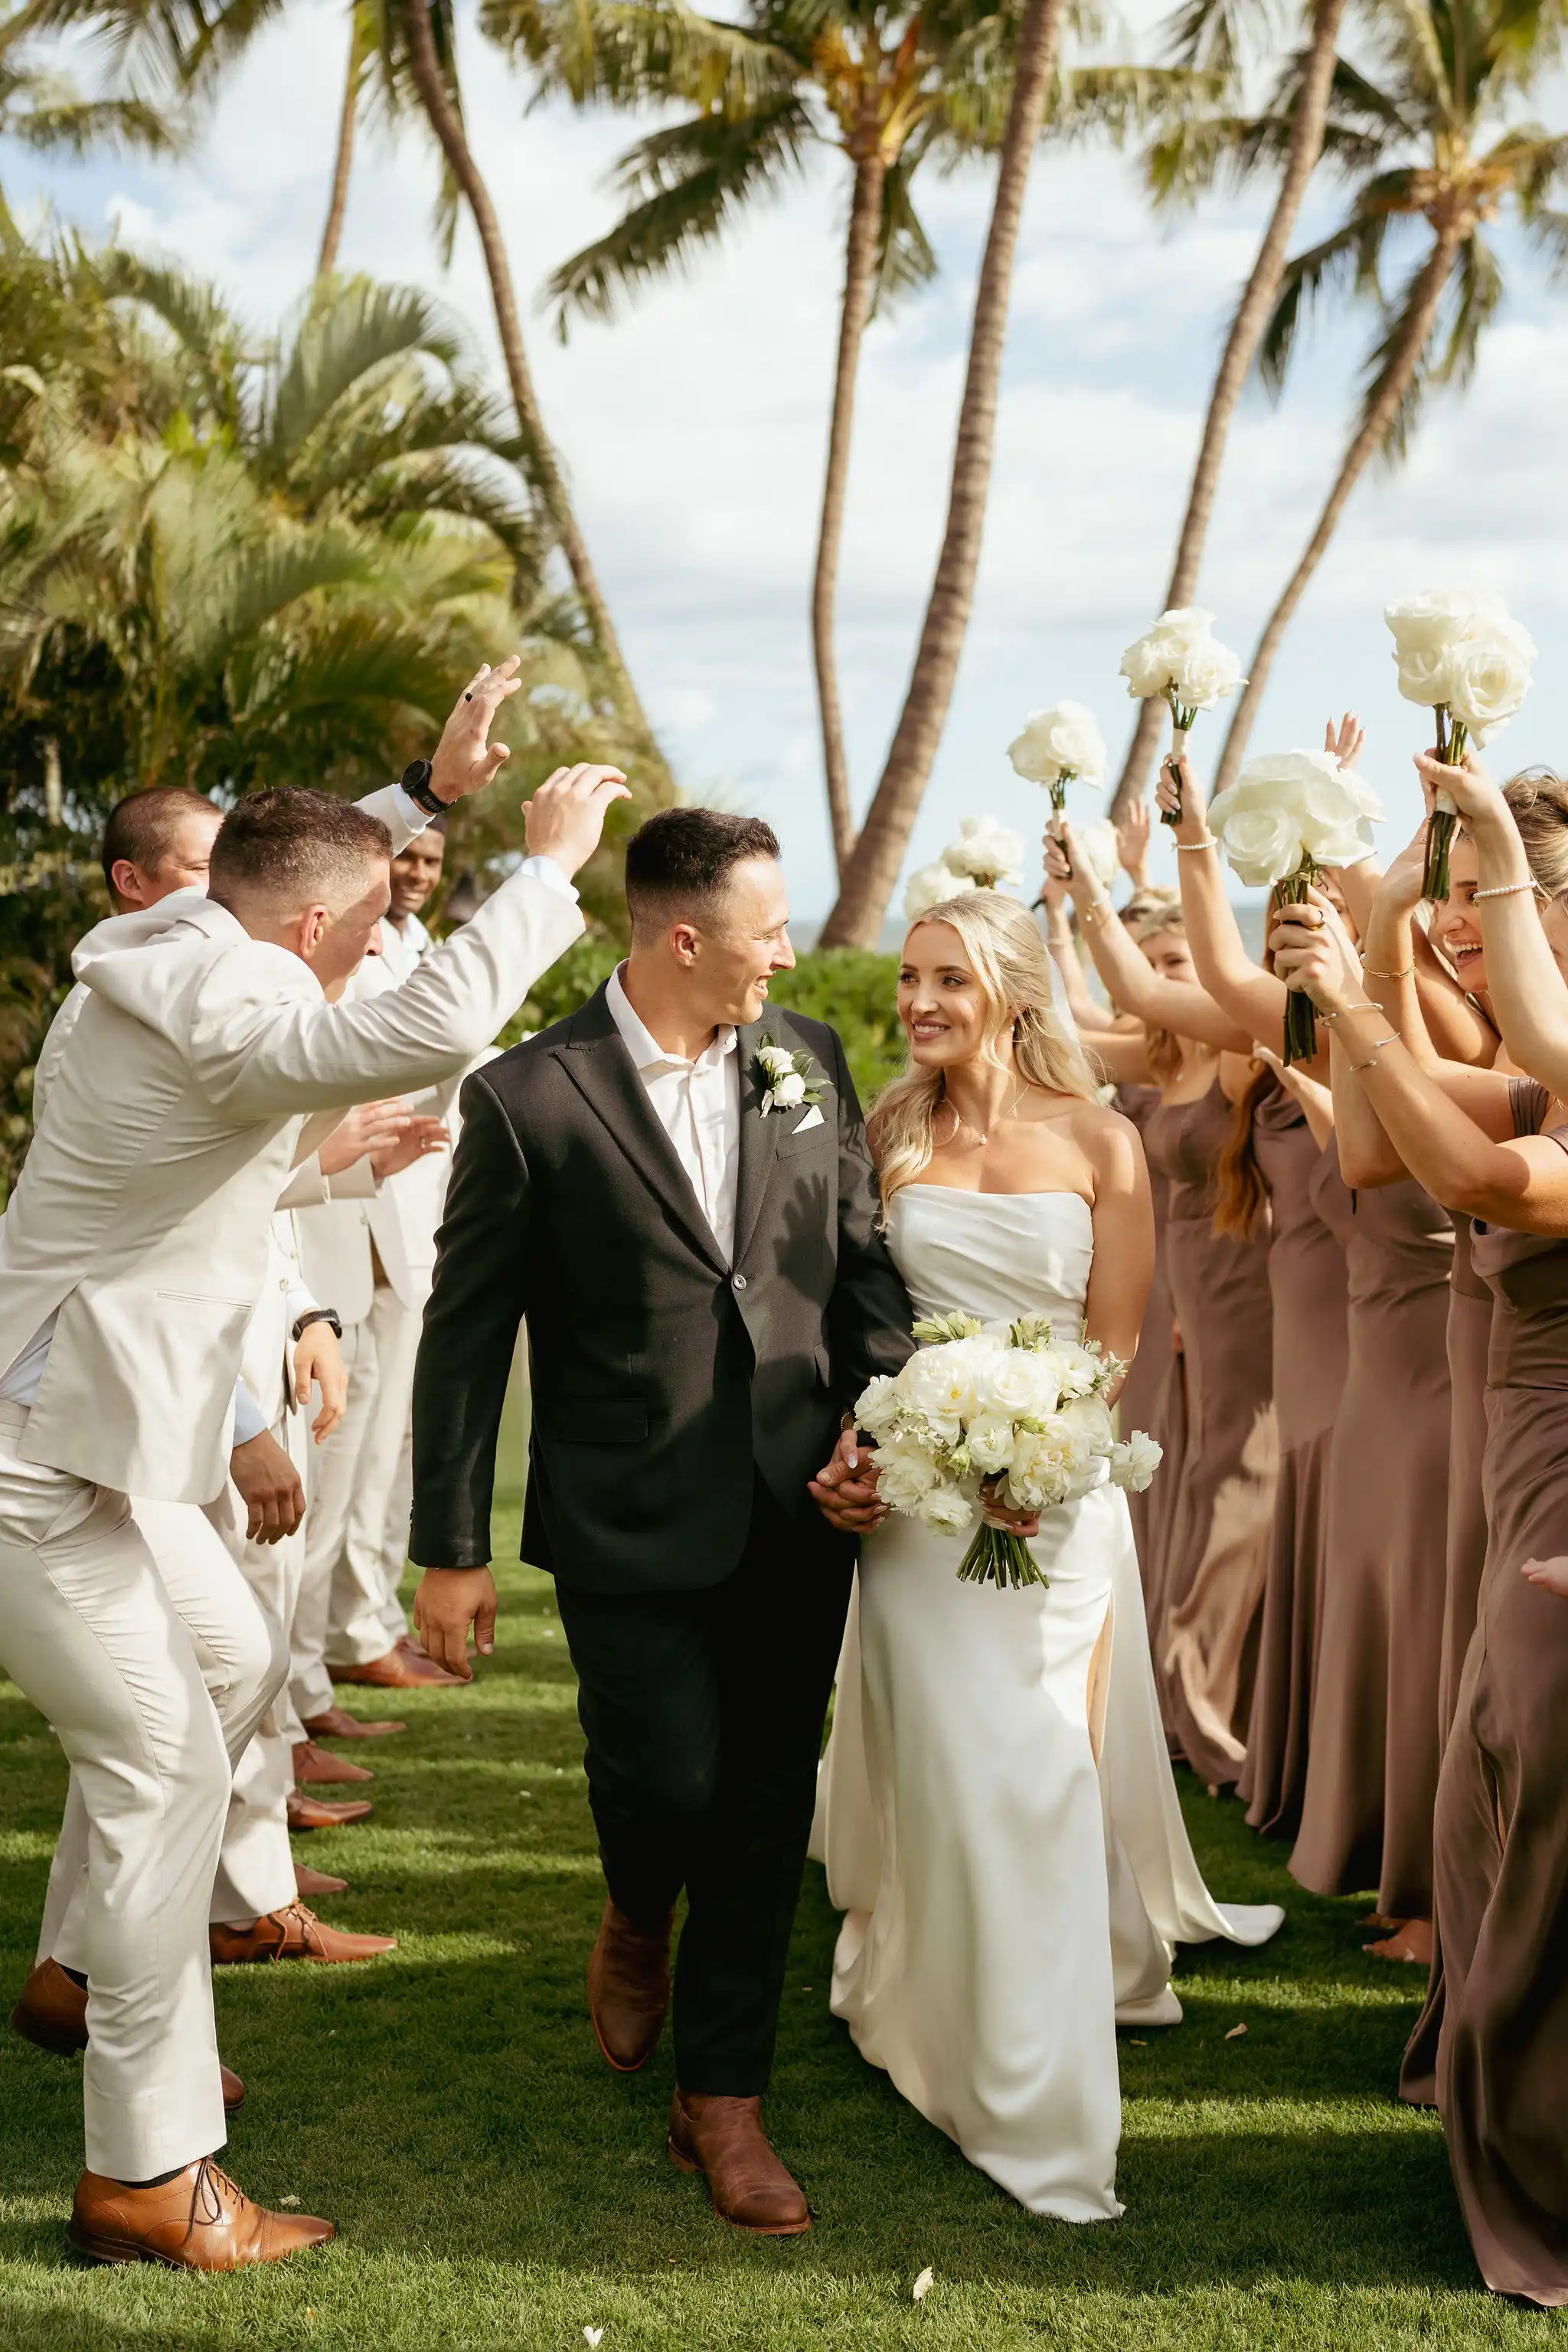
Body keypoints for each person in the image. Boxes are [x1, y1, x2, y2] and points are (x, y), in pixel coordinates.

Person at [0, 668, 622, 2268]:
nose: (359, 965)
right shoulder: (224, 985)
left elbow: (176, 1171)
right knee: (166, 1770)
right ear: (296, 937)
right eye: (351, 939)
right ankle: (147, 2175)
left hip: (90, 1450)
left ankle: (93, 1974)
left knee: (228, 1654)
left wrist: (317, 1167)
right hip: (31, 1459)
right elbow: (427, 1017)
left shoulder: (187, 958)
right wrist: (544, 863)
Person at [408, 806, 914, 2238]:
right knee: (664, 1787)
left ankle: (723, 2101)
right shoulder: (527, 1098)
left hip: (798, 1501)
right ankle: (635, 1907)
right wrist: (447, 1547)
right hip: (623, 1509)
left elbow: (861, 1268)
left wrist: (874, 1427)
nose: (788, 954)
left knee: (762, 1802)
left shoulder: (805, 1057)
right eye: (768, 929)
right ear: (683, 938)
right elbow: (463, 1342)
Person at [814, 889, 1282, 2222]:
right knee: (950, 1776)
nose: (917, 1004)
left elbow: (1117, 1340)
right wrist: (898, 1448)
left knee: (1030, 1770)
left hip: (1054, 1504)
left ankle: (1034, 2090)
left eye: (947, 980)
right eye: (909, 980)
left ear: (1013, 992)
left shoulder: (1101, 1139)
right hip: (917, 1509)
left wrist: (1041, 1455)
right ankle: (935, 2002)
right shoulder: (888, 1132)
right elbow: (858, 1314)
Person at [1269, 760, 1568, 2308]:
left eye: (1505, 915)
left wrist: (1390, 981)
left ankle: (1544, 2152)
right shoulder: (1548, 1084)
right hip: (1515, 1483)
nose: (1482, 935)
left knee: (1535, 1828)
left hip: (1558, 1516)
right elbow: (1381, 1153)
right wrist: (1372, 941)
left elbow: (1462, 1179)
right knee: (1483, 1809)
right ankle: (1490, 2080)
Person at [1048, 835, 1276, 1788]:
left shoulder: (1230, 1052)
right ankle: (1166, 1678)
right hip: (1175, 1272)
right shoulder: (1153, 1054)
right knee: (1173, 1468)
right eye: (1163, 961)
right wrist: (1056, 919)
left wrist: (1117, 882)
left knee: (1229, 1475)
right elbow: (1068, 1019)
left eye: (1182, 960)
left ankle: (1202, 1686)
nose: (1168, 976)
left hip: (1234, 1274)